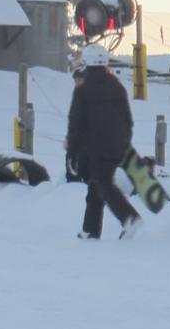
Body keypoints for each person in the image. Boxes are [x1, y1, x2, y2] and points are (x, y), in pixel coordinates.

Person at [66, 43, 142, 239]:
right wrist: (124, 142)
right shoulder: (117, 87)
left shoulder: (83, 89)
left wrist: (72, 149)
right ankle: (90, 230)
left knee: (102, 183)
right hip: (117, 146)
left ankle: (129, 217)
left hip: (95, 147)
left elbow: (76, 122)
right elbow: (128, 119)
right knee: (95, 184)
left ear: (87, 63)